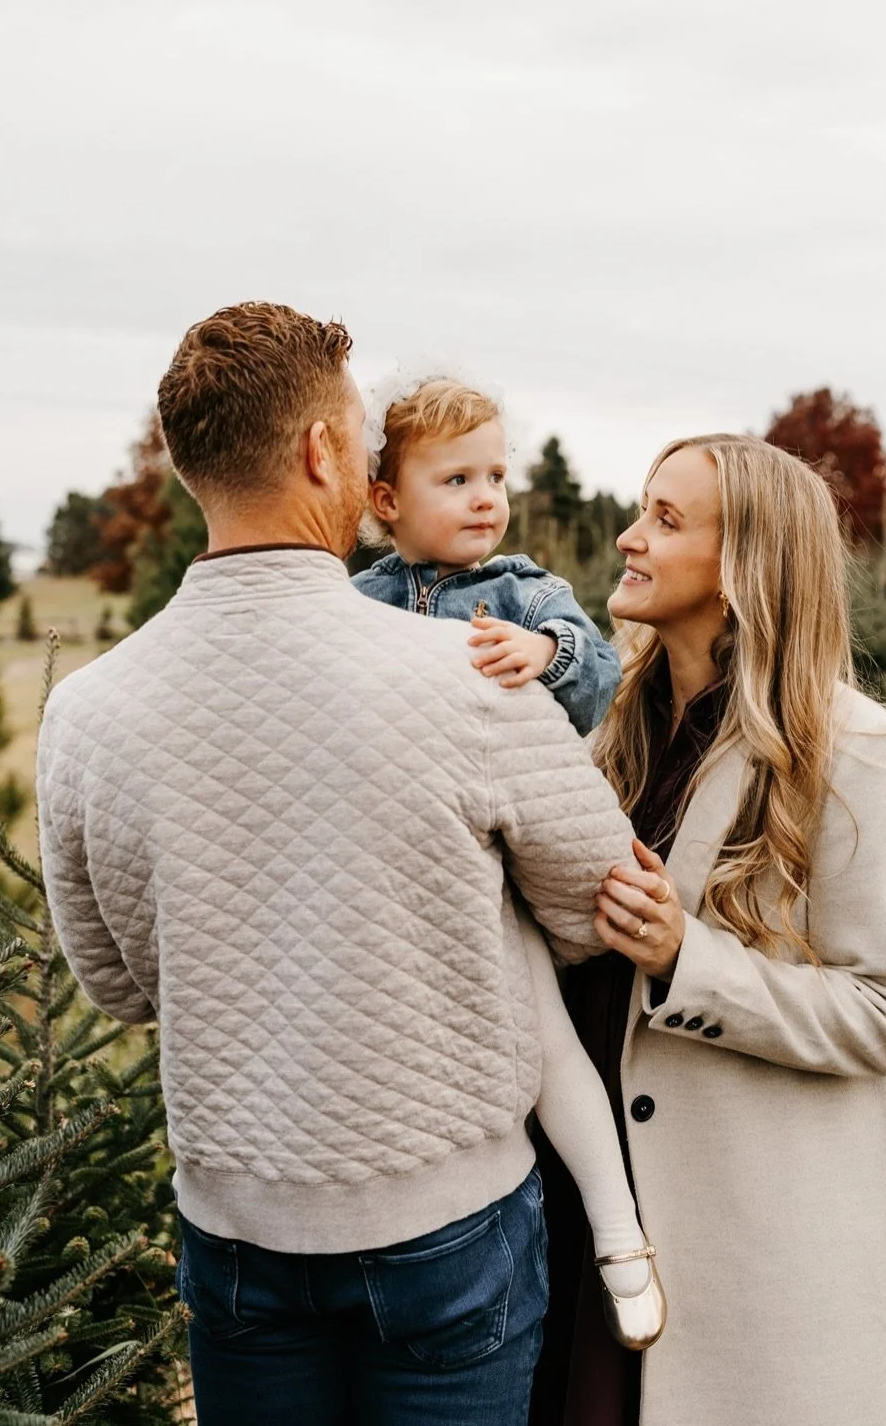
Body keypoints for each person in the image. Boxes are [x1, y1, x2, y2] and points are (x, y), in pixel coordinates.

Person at [35, 302, 637, 1426]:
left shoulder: (86, 712)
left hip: (234, 1232)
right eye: (360, 437)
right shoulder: (468, 673)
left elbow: (116, 985)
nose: (367, 459)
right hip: (449, 1225)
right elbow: (596, 902)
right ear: (320, 452)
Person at [531, 433, 886, 1426]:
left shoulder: (856, 751)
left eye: (667, 520)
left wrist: (686, 961)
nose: (630, 537)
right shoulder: (613, 735)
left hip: (740, 1224)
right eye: (641, 508)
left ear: (745, 562)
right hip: (584, 1200)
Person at [352, 373, 665, 1349]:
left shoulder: (524, 591)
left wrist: (545, 651)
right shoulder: (352, 599)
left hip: (495, 874)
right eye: (455, 478)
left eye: (495, 473)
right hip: (393, 876)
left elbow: (600, 669)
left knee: (546, 1048)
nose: (487, 496)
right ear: (387, 500)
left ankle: (620, 1235)